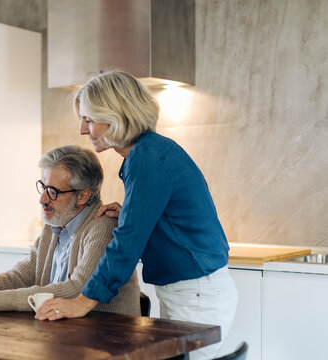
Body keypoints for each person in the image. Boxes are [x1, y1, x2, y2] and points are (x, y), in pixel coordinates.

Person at [35, 71, 238, 360]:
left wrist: (83, 301)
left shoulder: (145, 159)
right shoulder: (151, 151)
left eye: (89, 119)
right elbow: (169, 215)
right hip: (194, 293)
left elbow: (127, 244)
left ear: (115, 117)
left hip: (196, 297)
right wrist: (133, 212)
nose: (83, 129)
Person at [0, 145, 140, 315]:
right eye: (43, 186)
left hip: (108, 343)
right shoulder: (54, 225)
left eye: (53, 191)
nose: (42, 199)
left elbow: (77, 289)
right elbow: (20, 277)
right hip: (66, 337)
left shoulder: (103, 225)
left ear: (83, 196)